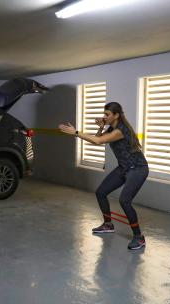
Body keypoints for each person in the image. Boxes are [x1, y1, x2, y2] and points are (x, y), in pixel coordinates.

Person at [59, 102, 148, 250]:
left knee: (124, 201)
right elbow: (97, 140)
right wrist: (101, 127)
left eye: (107, 114)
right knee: (101, 192)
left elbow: (98, 140)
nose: (104, 116)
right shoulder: (112, 129)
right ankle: (108, 224)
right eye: (104, 114)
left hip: (138, 168)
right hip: (124, 167)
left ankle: (139, 237)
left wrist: (75, 132)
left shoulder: (120, 130)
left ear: (116, 115)